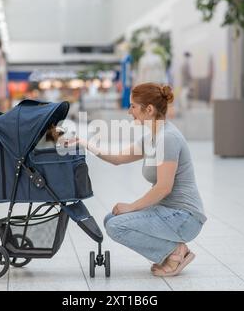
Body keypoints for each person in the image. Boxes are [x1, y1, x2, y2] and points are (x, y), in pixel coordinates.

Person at [71, 82, 206, 276]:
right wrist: (84, 144)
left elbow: (163, 188)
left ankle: (176, 253)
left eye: (133, 106)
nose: (129, 111)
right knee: (111, 219)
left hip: (184, 217)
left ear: (149, 109)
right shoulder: (153, 136)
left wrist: (132, 206)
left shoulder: (167, 138)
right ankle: (173, 252)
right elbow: (117, 158)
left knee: (117, 225)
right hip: (169, 212)